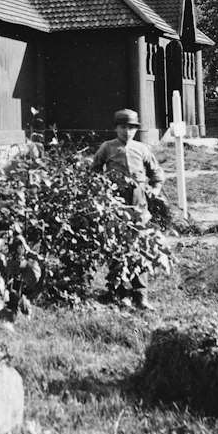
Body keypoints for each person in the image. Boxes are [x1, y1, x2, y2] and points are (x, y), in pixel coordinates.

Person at [92, 108, 166, 309]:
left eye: (131, 128)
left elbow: (155, 173)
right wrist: (102, 188)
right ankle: (121, 292)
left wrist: (155, 189)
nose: (127, 131)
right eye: (123, 127)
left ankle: (141, 295)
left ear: (136, 129)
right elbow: (94, 170)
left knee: (139, 244)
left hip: (138, 199)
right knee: (117, 243)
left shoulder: (141, 148)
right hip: (115, 200)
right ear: (116, 128)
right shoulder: (107, 147)